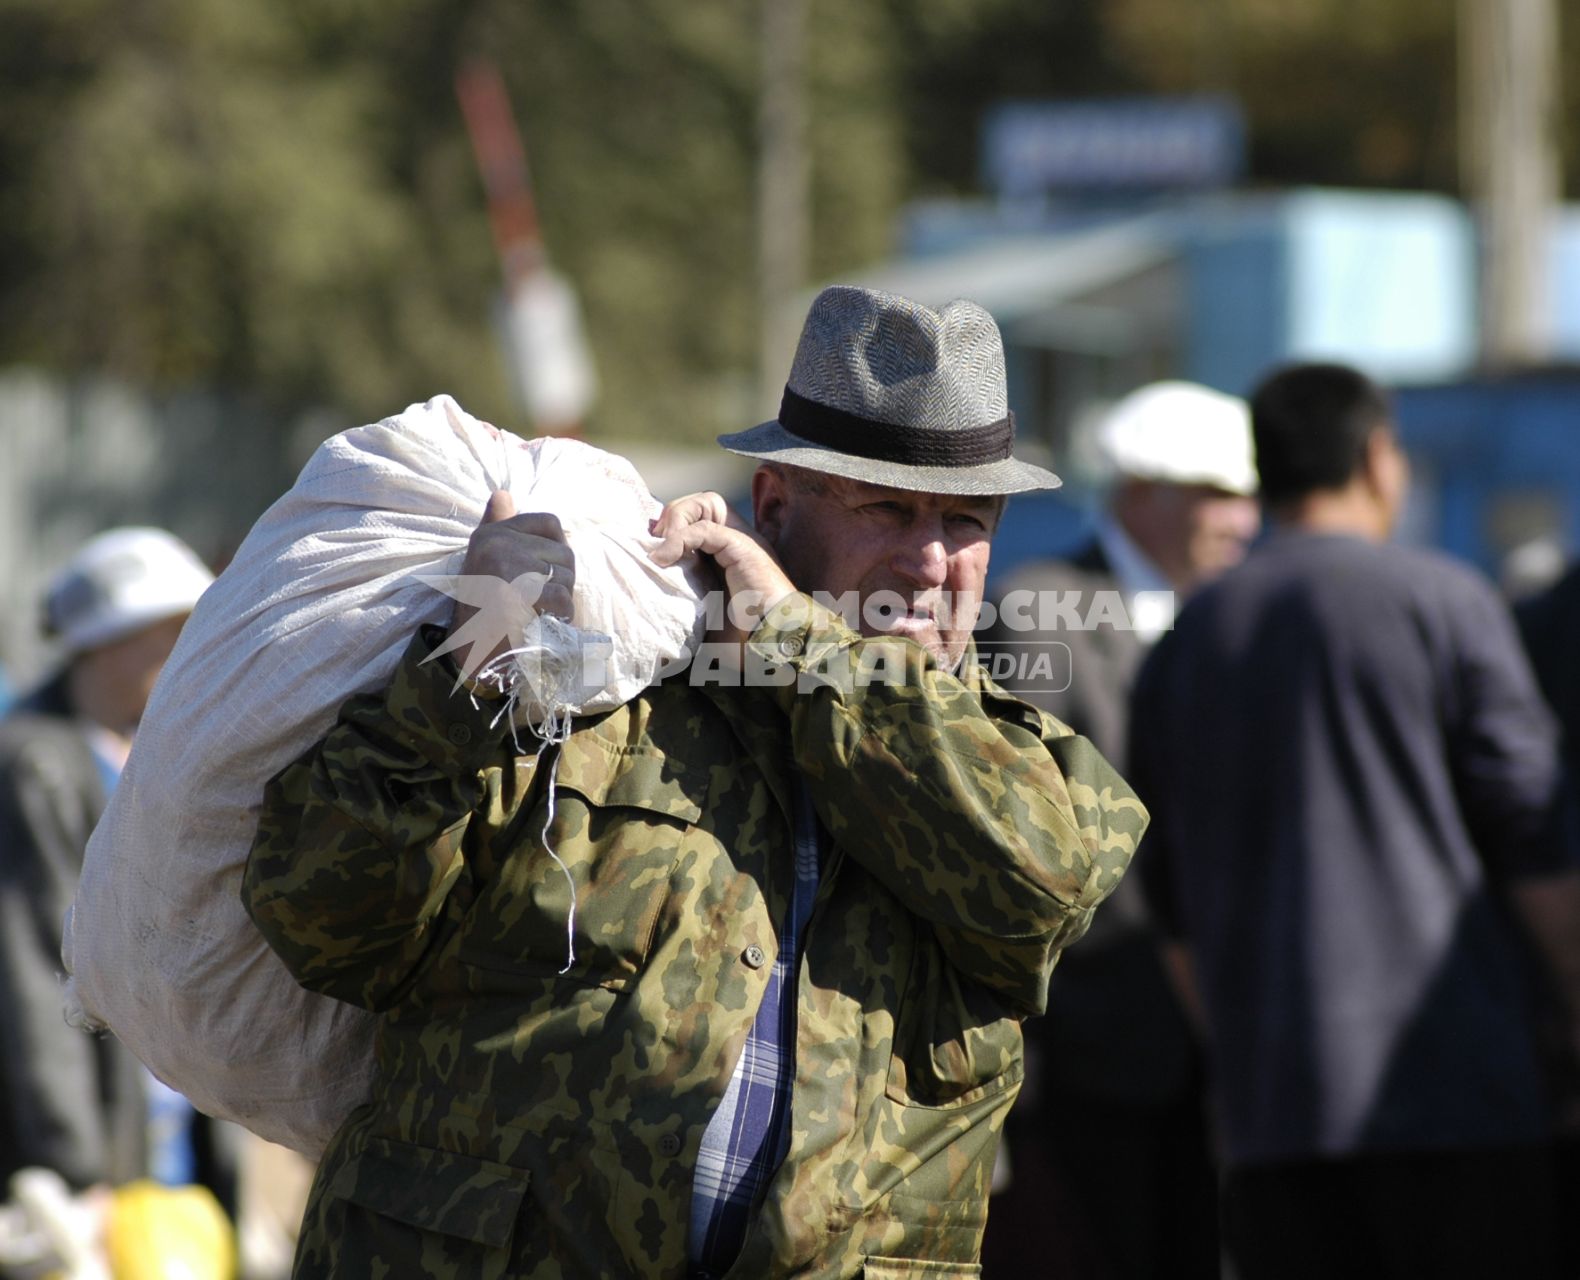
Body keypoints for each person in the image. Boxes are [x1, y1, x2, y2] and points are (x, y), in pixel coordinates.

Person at [240, 285, 1148, 1278]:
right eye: (887, 507)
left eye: (966, 521)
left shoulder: (1019, 765)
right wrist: (467, 667)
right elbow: (322, 914)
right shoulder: (602, 685)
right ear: (772, 504)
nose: (930, 560)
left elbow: (1040, 881)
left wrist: (801, 650)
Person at [1131, 362, 1580, 1279]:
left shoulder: (1188, 640)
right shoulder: (1446, 601)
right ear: (1378, 459)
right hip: (1461, 1097)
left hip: (1274, 1117)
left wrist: (1242, 1059)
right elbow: (1533, 835)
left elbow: (1168, 902)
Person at [980, 381, 1256, 1278]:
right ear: (1142, 493)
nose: (1241, 519)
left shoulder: (1229, 619)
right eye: (1217, 494)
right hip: (1088, 1060)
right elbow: (1010, 843)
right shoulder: (1038, 609)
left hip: (1210, 1051)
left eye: (1246, 496)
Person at [0, 528, 217, 1192]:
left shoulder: (169, 755)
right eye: (173, 628)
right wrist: (75, 1169)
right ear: (106, 639)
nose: (192, 648)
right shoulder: (36, 767)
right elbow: (36, 972)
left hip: (173, 1146)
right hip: (96, 1167)